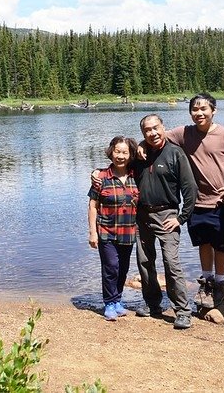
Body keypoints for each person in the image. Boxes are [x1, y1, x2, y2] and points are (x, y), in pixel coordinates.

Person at [165, 93, 224, 308]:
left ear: (214, 111)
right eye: (195, 109)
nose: (199, 113)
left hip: (221, 202)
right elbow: (157, 137)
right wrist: (139, 146)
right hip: (195, 201)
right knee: (203, 242)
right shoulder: (184, 133)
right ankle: (207, 280)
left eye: (204, 109)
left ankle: (220, 282)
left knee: (221, 245)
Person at [131, 114, 197, 329]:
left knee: (171, 262)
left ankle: (182, 311)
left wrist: (181, 218)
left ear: (163, 127)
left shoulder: (175, 153)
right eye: (147, 130)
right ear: (143, 134)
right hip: (142, 216)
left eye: (156, 128)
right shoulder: (138, 155)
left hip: (167, 215)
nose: (153, 133)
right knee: (145, 262)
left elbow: (190, 189)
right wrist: (96, 173)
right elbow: (117, 167)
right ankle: (152, 304)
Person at [87, 136, 140, 321]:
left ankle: (118, 300)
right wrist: (92, 232)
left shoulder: (137, 176)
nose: (120, 156)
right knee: (111, 266)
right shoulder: (101, 177)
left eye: (125, 152)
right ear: (111, 152)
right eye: (117, 151)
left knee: (123, 268)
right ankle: (109, 303)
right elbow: (93, 205)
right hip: (106, 231)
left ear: (130, 154)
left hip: (129, 231)